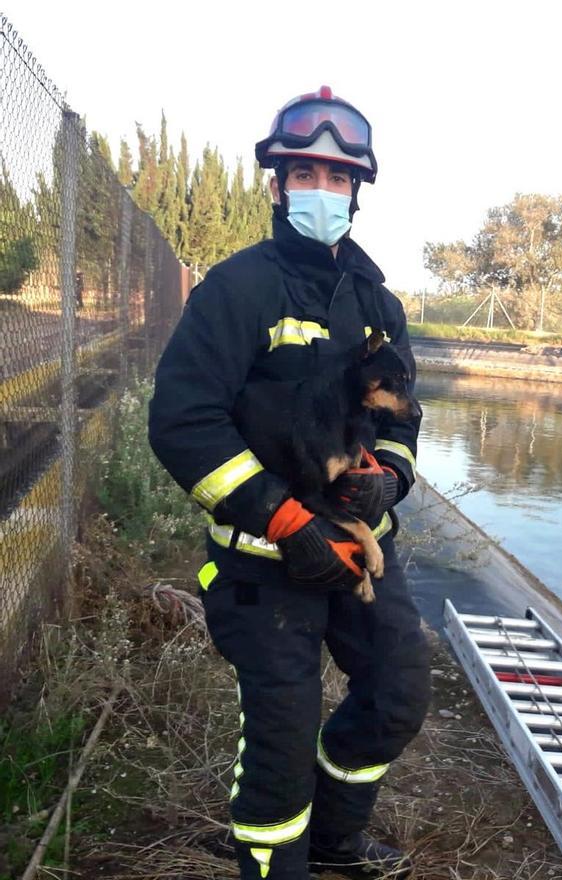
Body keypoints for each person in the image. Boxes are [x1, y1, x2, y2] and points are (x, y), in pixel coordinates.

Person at [148, 86, 430, 880]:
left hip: (356, 558)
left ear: (356, 193)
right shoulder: (237, 291)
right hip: (261, 568)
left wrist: (391, 482)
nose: (321, 189)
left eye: (337, 178)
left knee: (398, 696)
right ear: (275, 185)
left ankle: (335, 841)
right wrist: (282, 521)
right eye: (304, 172)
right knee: (280, 735)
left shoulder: (376, 304)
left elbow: (401, 416)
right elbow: (183, 423)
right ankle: (278, 861)